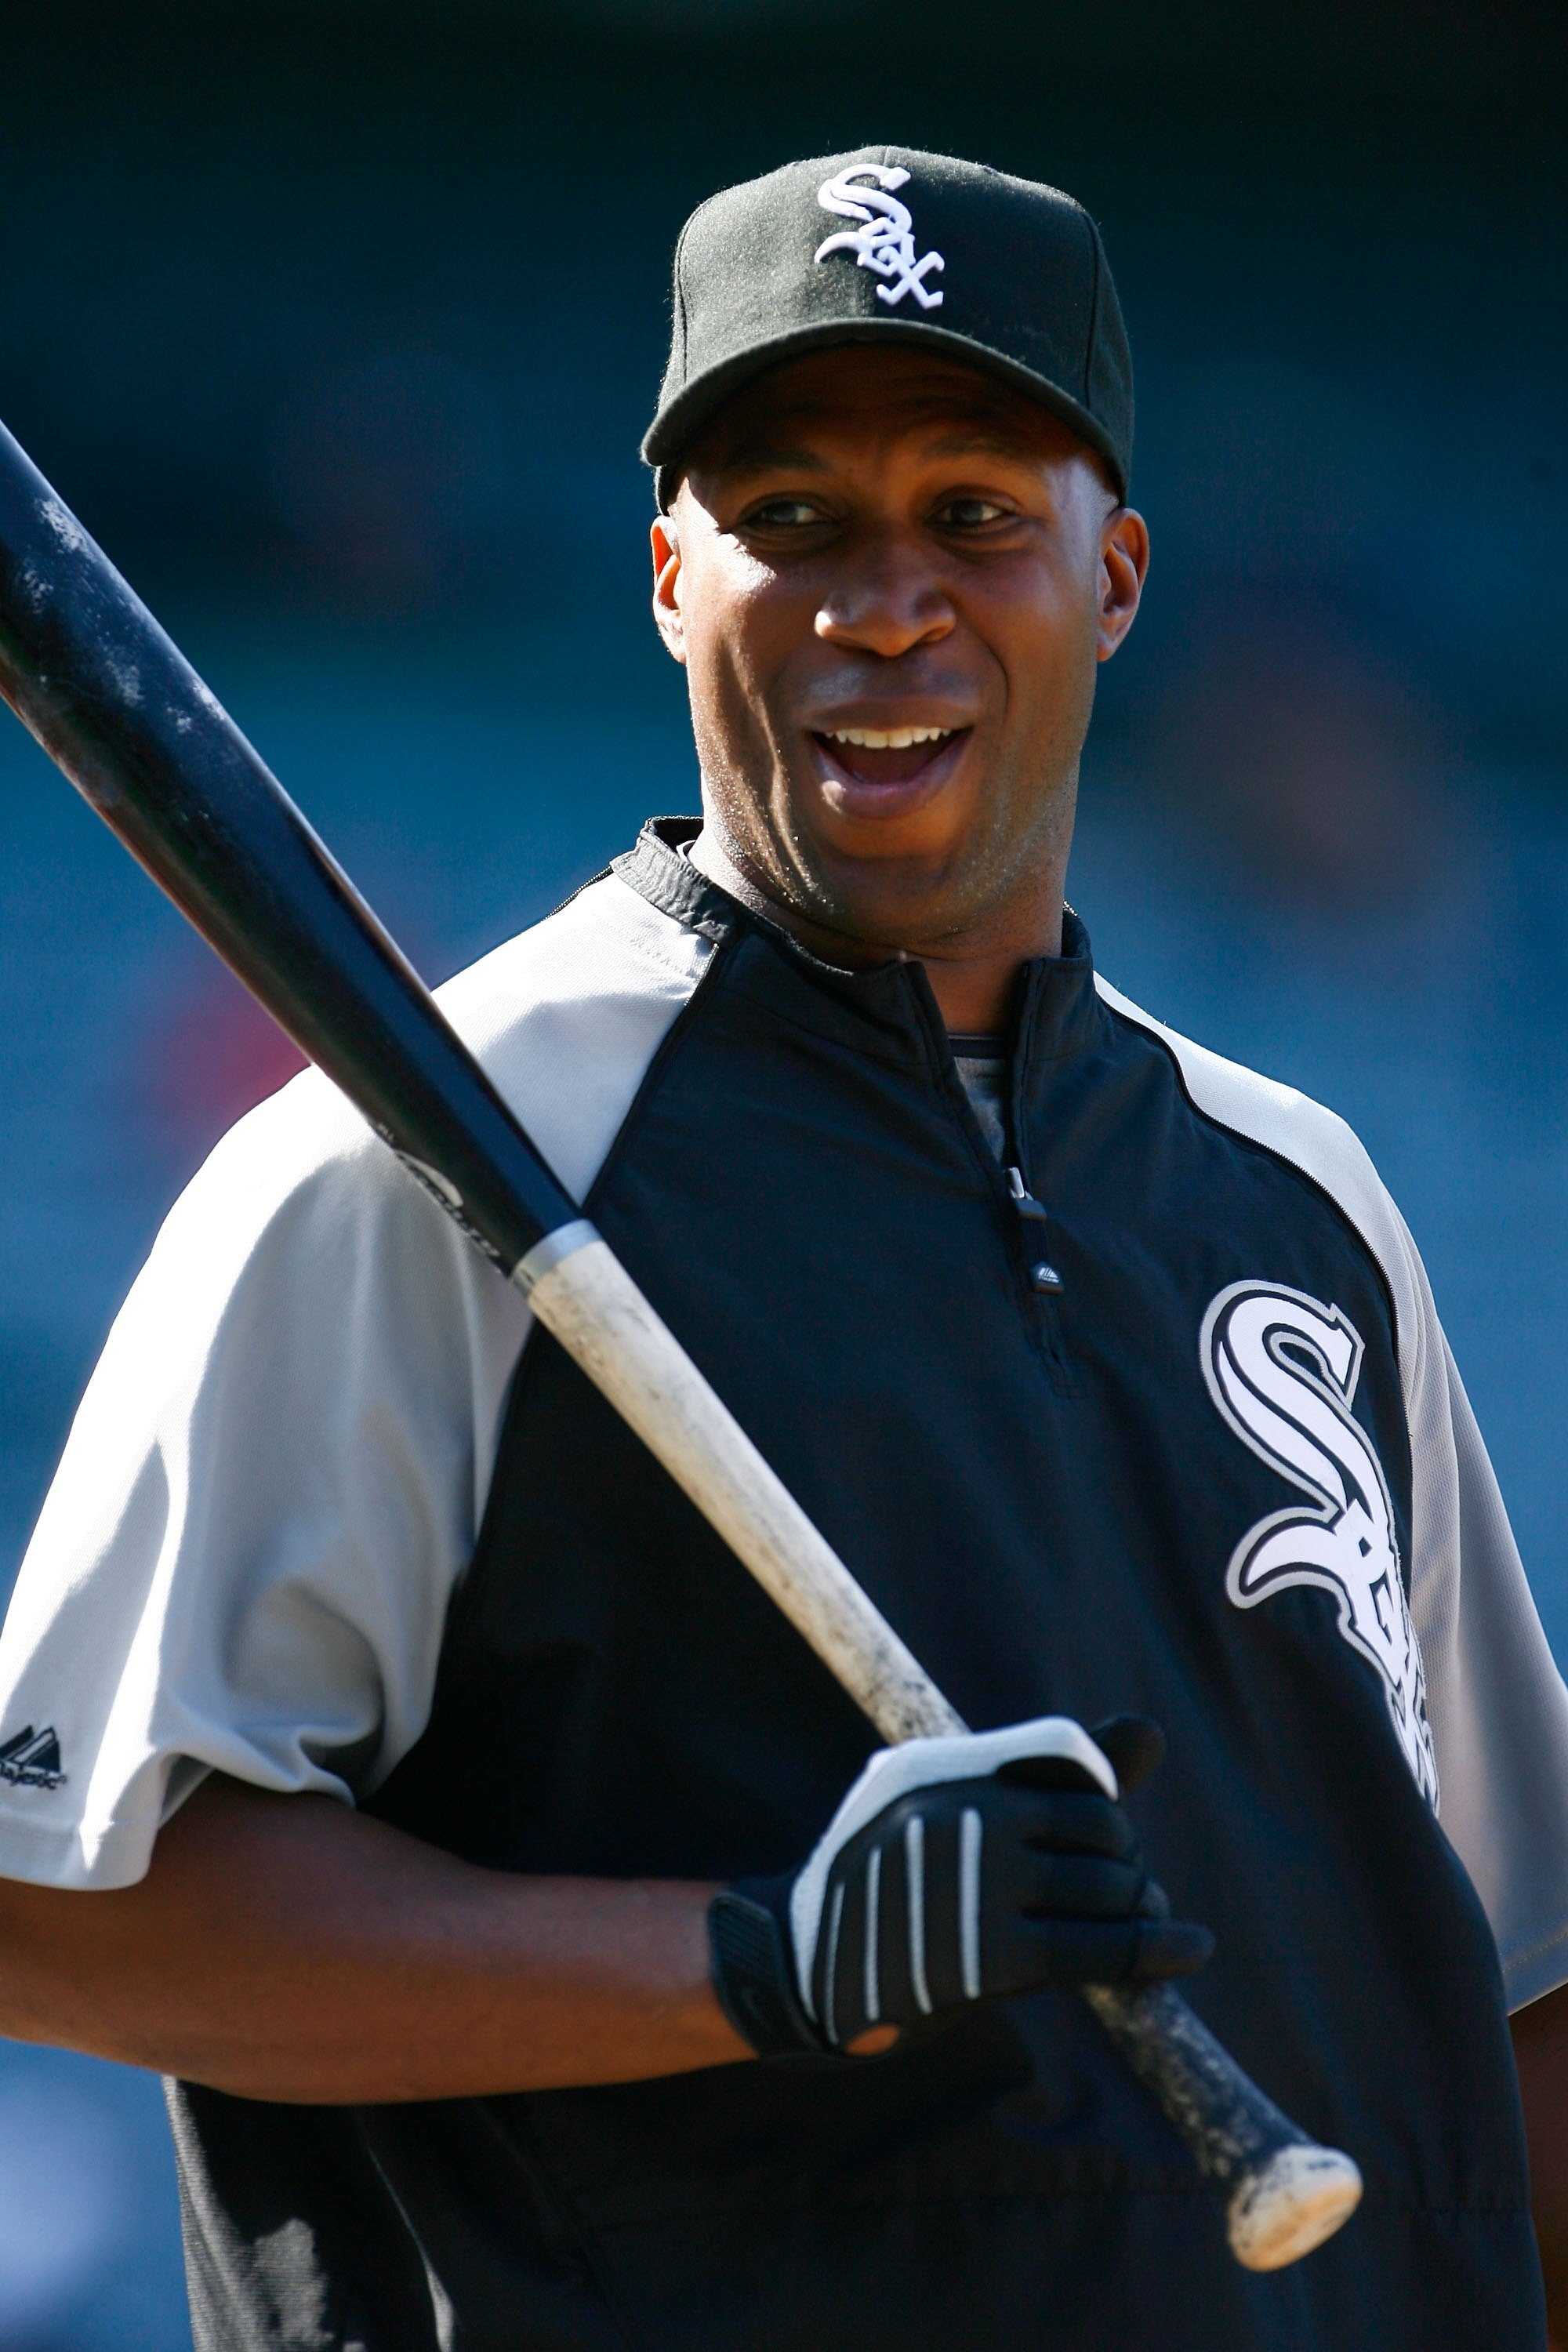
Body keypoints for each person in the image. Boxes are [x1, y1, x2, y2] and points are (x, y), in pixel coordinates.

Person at [0, 143, 1563, 2350]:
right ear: (666, 578)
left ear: (1114, 578)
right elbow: (67, 1913)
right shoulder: (431, 1156)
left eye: (977, 516)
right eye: (795, 521)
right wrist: (763, 1965)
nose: (886, 599)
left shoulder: (1298, 1200)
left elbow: (1509, 1982)